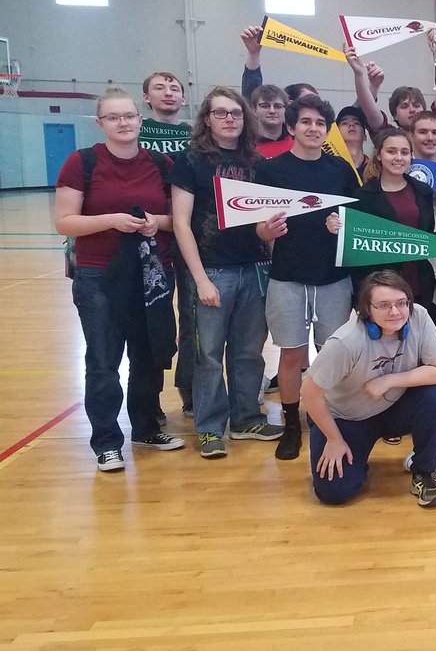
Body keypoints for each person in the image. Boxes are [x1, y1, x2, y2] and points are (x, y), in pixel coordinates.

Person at [56, 87, 183, 472]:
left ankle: (146, 427)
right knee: (103, 359)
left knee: (148, 355)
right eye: (114, 118)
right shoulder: (82, 163)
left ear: (140, 119)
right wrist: (111, 220)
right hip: (99, 275)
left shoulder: (161, 164)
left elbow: (177, 220)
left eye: (129, 116)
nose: (123, 123)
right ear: (101, 124)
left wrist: (153, 223)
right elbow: (64, 221)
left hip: (152, 273)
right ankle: (107, 441)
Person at [170, 86, 283, 459]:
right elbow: (181, 224)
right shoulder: (190, 161)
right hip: (212, 270)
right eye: (221, 113)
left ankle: (247, 418)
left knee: (250, 352)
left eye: (235, 113)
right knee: (207, 355)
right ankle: (209, 427)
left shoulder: (258, 163)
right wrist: (200, 278)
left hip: (254, 268)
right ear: (207, 119)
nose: (229, 119)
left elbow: (262, 222)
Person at [256, 94, 361, 461]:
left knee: (332, 352)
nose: (313, 128)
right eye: (305, 122)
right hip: (287, 276)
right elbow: (257, 225)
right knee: (291, 353)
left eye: (320, 123)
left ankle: (324, 416)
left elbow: (357, 221)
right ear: (291, 127)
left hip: (333, 277)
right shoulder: (270, 170)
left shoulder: (341, 171)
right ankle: (289, 424)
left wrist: (342, 225)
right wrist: (266, 232)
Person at [303, 271, 436, 507]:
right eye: (383, 305)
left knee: (434, 396)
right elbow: (309, 393)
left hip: (393, 406)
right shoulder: (346, 342)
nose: (395, 312)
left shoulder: (419, 317)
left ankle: (424, 471)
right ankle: (355, 457)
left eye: (402, 303)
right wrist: (333, 439)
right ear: (366, 309)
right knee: (333, 493)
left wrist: (390, 380)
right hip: (346, 419)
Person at [328, 127, 436, 306]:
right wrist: (335, 228)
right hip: (379, 287)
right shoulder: (362, 196)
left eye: (405, 152)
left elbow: (428, 233)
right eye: (391, 151)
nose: (399, 158)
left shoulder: (423, 191)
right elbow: (353, 247)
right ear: (378, 155)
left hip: (419, 284)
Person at [139, 71, 195, 419]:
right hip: (145, 240)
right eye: (159, 88)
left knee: (192, 321)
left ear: (184, 98)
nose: (168, 92)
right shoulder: (137, 131)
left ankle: (190, 392)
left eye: (174, 87)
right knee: (154, 323)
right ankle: (150, 402)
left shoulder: (194, 136)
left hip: (185, 236)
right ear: (146, 98)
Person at [346, 32, 436, 161]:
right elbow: (371, 113)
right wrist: (362, 76)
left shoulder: (435, 132)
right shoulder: (389, 137)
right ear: (394, 115)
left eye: (416, 105)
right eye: (404, 106)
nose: (412, 110)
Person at [250, 85, 293, 158]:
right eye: (265, 106)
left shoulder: (298, 143)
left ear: (286, 110)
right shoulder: (246, 146)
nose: (272, 111)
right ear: (254, 110)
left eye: (278, 106)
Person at [334, 105, 369, 179]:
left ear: (365, 135)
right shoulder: (330, 166)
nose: (351, 124)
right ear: (336, 133)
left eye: (357, 123)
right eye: (344, 123)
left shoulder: (375, 169)